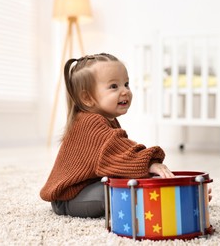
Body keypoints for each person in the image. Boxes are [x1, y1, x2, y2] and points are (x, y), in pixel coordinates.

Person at [40, 53, 175, 218]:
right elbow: (117, 150)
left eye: (126, 84)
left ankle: (171, 195)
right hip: (70, 196)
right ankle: (162, 201)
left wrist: (150, 170)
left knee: (133, 180)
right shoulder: (90, 122)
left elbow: (120, 153)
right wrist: (149, 162)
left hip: (90, 183)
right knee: (117, 193)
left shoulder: (104, 119)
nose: (125, 91)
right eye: (114, 86)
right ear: (87, 98)